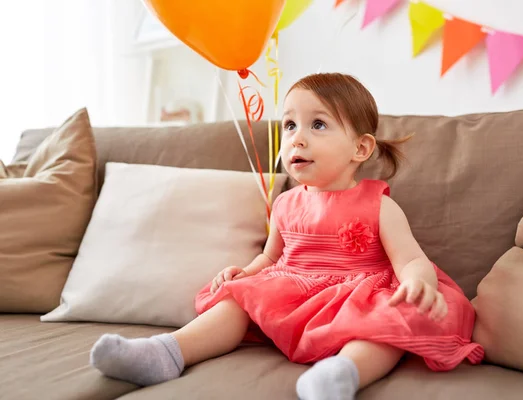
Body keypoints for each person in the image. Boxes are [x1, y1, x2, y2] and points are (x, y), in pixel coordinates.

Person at [90, 73, 484, 400]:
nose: (297, 137)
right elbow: (271, 259)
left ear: (360, 148)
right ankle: (167, 352)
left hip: (360, 295)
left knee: (385, 328)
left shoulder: (377, 204)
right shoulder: (286, 203)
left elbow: (411, 259)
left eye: (318, 125)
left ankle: (342, 375)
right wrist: (245, 273)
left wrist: (419, 283)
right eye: (290, 125)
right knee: (236, 303)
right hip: (294, 292)